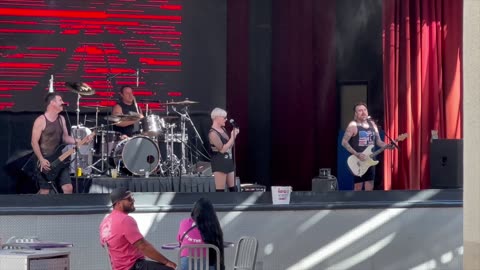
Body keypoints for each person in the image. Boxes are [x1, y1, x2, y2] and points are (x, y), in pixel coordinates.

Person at [99, 187, 176, 270]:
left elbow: (106, 246)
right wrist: (167, 262)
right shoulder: (125, 220)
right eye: (129, 199)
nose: (133, 200)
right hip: (132, 266)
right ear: (118, 204)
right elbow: (143, 246)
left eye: (132, 197)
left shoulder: (104, 223)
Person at [31, 92, 93, 194]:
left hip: (59, 159)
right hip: (44, 161)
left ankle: (67, 210)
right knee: (45, 191)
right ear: (52, 103)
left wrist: (79, 141)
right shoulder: (40, 120)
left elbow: (65, 138)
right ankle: (35, 208)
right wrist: (41, 159)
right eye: (60, 100)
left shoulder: (61, 119)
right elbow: (34, 142)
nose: (63, 103)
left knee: (68, 188)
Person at [341, 102, 392, 191]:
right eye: (360, 111)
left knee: (370, 185)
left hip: (370, 159)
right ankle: (357, 204)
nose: (363, 112)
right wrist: (357, 154)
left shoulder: (373, 124)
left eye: (365, 110)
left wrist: (387, 145)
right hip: (358, 160)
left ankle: (368, 204)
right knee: (358, 186)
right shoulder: (353, 125)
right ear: (356, 114)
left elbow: (378, 141)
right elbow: (344, 142)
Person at [177, 198, 225, 270]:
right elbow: (218, 245)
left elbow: (180, 241)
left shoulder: (184, 223)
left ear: (194, 210)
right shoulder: (213, 226)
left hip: (185, 265)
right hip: (207, 265)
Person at [208, 108, 239, 192]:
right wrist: (232, 137)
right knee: (220, 190)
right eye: (224, 117)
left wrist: (234, 136)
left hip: (228, 160)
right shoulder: (213, 133)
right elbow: (222, 149)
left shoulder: (223, 129)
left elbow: (229, 146)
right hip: (219, 161)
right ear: (217, 118)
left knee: (233, 188)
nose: (226, 119)